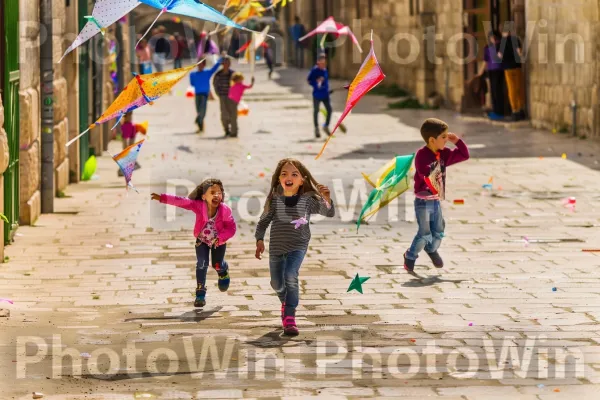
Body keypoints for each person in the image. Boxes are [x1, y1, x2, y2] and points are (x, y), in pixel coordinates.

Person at [255, 159, 335, 336]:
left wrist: (327, 200)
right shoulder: (275, 200)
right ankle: (286, 302)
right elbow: (263, 221)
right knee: (277, 283)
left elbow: (328, 212)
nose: (289, 177)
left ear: (302, 180)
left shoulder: (307, 200)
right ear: (278, 180)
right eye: (284, 174)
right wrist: (259, 239)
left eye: (294, 174)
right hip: (276, 246)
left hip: (298, 244)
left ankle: (289, 315)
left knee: (291, 275)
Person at [151, 179, 236, 307]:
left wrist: (221, 238)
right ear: (203, 196)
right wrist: (162, 198)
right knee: (202, 263)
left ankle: (223, 271)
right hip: (202, 240)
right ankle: (200, 293)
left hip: (218, 242)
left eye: (219, 193)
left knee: (217, 264)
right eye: (212, 192)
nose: (216, 195)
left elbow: (231, 228)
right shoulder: (198, 205)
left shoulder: (225, 210)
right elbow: (181, 202)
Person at [403, 118, 470, 274]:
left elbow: (464, 155)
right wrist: (439, 163)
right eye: (444, 137)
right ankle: (410, 255)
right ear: (432, 140)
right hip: (422, 202)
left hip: (435, 202)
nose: (446, 140)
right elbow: (424, 172)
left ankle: (431, 250)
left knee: (439, 232)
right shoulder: (421, 155)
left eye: (447, 136)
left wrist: (457, 141)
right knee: (424, 233)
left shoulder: (444, 154)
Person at [189, 57, 223, 133]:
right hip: (197, 94)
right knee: (198, 111)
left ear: (204, 65)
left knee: (202, 111)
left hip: (204, 95)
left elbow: (215, 68)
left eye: (201, 64)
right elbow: (192, 83)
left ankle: (198, 121)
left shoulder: (207, 72)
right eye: (199, 64)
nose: (200, 65)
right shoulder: (193, 74)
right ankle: (201, 128)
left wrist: (221, 59)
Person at [498, 28, 525, 121]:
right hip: (517, 67)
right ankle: (521, 108)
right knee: (519, 87)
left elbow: (499, 56)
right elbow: (519, 52)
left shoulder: (502, 42)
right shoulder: (516, 39)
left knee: (511, 89)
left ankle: (515, 110)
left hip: (508, 68)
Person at [307, 54, 331, 138]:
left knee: (329, 110)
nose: (323, 64)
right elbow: (309, 80)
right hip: (317, 94)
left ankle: (326, 126)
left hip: (325, 94)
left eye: (324, 62)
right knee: (316, 111)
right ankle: (316, 128)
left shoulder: (325, 70)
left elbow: (326, 82)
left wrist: (328, 90)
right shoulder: (314, 71)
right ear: (318, 62)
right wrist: (316, 84)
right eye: (322, 62)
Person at [484, 31, 506, 119]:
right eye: (491, 37)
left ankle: (500, 111)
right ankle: (495, 111)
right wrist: (483, 72)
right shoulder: (487, 47)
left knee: (498, 91)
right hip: (491, 70)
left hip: (499, 70)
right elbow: (485, 61)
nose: (493, 39)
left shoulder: (500, 46)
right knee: (493, 91)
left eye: (494, 37)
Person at [213, 57, 236, 137]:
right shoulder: (218, 74)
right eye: (225, 63)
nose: (226, 64)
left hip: (232, 97)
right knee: (224, 113)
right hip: (222, 96)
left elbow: (238, 84)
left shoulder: (233, 74)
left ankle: (234, 131)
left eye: (228, 63)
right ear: (222, 64)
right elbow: (215, 84)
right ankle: (226, 128)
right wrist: (218, 93)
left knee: (232, 113)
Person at [117, 112, 140, 176]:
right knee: (127, 149)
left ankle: (127, 167)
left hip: (128, 126)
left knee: (127, 149)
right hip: (127, 126)